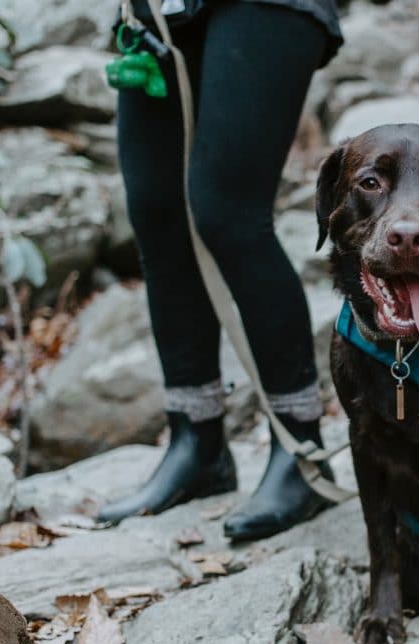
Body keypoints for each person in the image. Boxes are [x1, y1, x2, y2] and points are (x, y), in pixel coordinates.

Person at [97, 0, 343, 543]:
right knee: (159, 216)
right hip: (154, 12)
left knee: (228, 213)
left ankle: (300, 451)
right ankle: (197, 443)